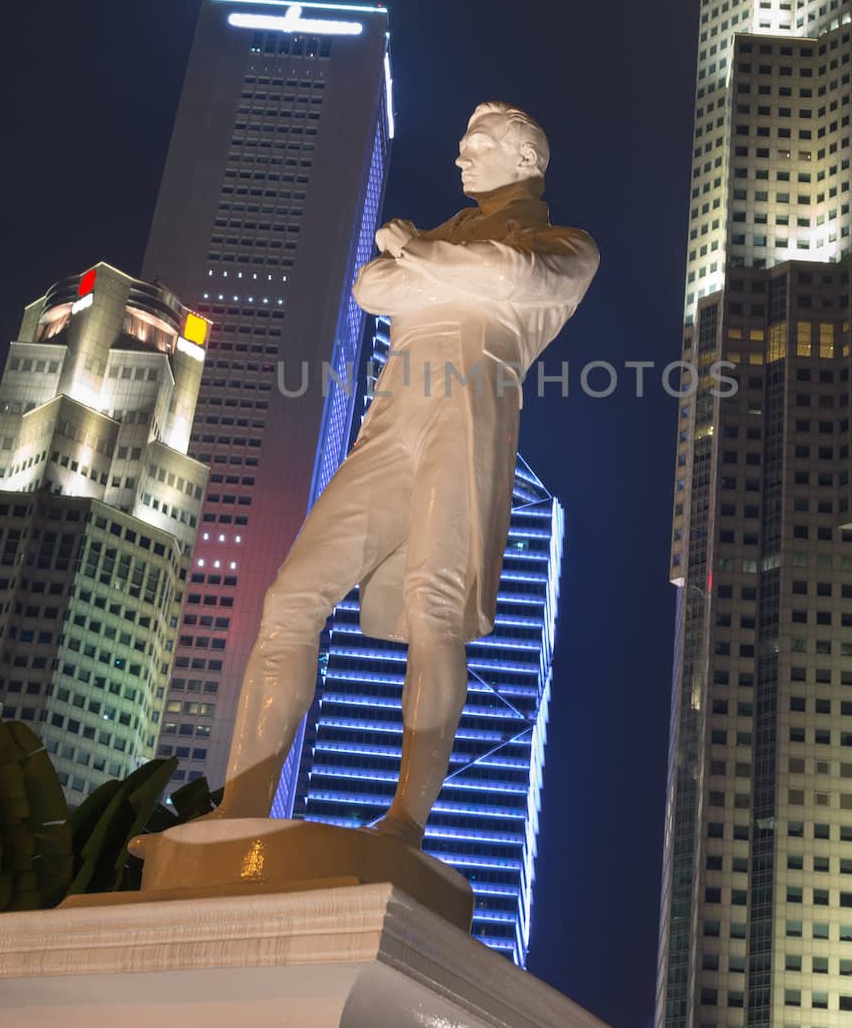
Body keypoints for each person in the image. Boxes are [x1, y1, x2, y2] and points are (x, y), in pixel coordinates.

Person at [209, 100, 599, 845]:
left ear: (525, 158)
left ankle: (405, 822)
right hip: (390, 422)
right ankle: (239, 811)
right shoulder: (445, 235)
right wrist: (428, 258)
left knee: (436, 609)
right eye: (459, 144)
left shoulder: (567, 242)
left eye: (476, 144)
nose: (460, 157)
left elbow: (513, 274)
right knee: (292, 596)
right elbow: (371, 289)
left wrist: (421, 255)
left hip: (469, 416)